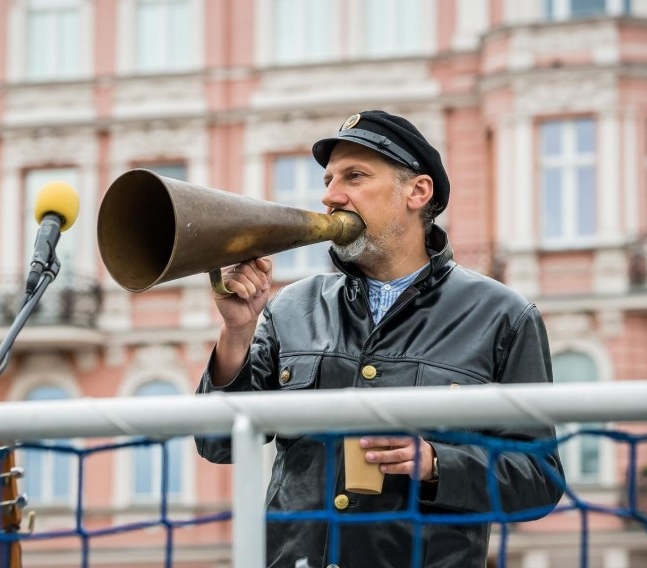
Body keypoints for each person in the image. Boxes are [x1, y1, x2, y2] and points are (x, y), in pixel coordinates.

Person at [194, 110, 565, 568]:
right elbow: (217, 442)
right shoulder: (291, 306)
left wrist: (434, 463)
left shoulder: (504, 316)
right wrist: (236, 332)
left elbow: (539, 480)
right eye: (329, 179)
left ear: (417, 191)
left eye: (354, 176)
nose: (330, 196)